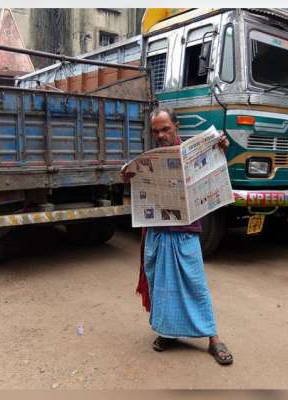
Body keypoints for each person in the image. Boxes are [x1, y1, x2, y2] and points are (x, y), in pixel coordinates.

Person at [121, 107, 233, 365]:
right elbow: (138, 187)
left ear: (176, 126)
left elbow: (213, 168)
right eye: (156, 131)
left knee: (196, 286)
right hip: (157, 233)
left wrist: (221, 148)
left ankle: (213, 338)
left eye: (165, 129)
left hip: (185, 232)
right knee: (160, 286)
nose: (160, 135)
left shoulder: (193, 151)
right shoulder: (152, 157)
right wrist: (128, 178)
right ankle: (168, 332)